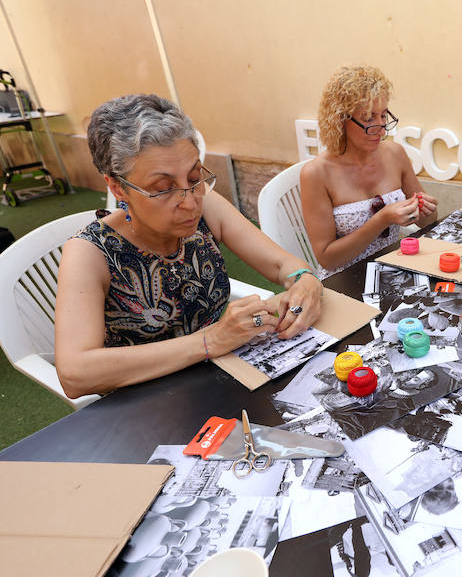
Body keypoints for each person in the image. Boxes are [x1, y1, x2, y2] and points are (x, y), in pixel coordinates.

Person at [55, 94, 323, 398]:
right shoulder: (90, 253)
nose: (189, 201)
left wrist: (306, 281)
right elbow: (75, 373)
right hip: (146, 406)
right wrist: (210, 341)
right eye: (164, 189)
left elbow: (282, 265)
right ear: (118, 187)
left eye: (194, 177)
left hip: (222, 380)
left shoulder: (206, 204)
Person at [301, 65, 438, 277]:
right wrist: (381, 220)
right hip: (344, 280)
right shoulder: (317, 174)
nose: (381, 128)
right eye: (369, 119)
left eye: (384, 116)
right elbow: (327, 259)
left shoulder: (395, 154)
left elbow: (427, 223)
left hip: (393, 268)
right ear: (340, 120)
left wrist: (426, 209)